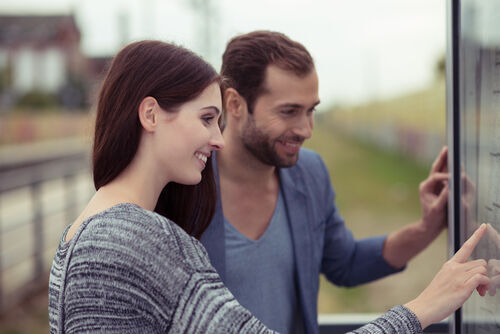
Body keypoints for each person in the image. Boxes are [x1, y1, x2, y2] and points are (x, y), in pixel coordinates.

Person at [48, 39, 487, 334]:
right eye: (206, 119)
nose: (216, 138)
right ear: (149, 115)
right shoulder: (144, 235)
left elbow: (345, 260)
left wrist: (429, 228)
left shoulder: (87, 231)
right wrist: (425, 307)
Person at [199, 30, 452, 333]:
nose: (306, 129)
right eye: (289, 111)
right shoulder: (187, 184)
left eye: (311, 110)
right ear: (235, 104)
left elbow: (346, 262)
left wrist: (427, 228)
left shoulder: (310, 172)